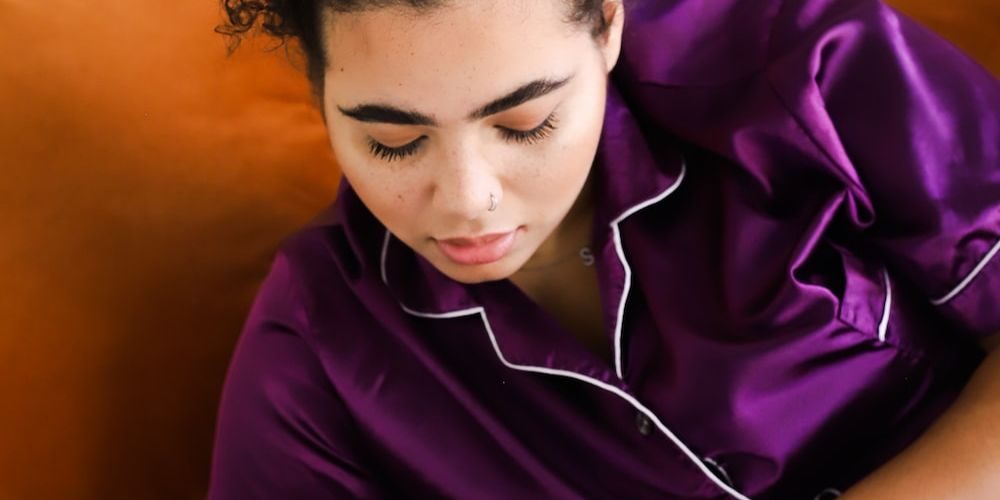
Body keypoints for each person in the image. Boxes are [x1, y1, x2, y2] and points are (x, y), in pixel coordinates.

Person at [207, 0, 1000, 498]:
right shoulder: (314, 343)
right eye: (393, 142)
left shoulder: (795, 67)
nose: (469, 200)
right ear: (318, 90)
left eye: (525, 124)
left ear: (609, 25)